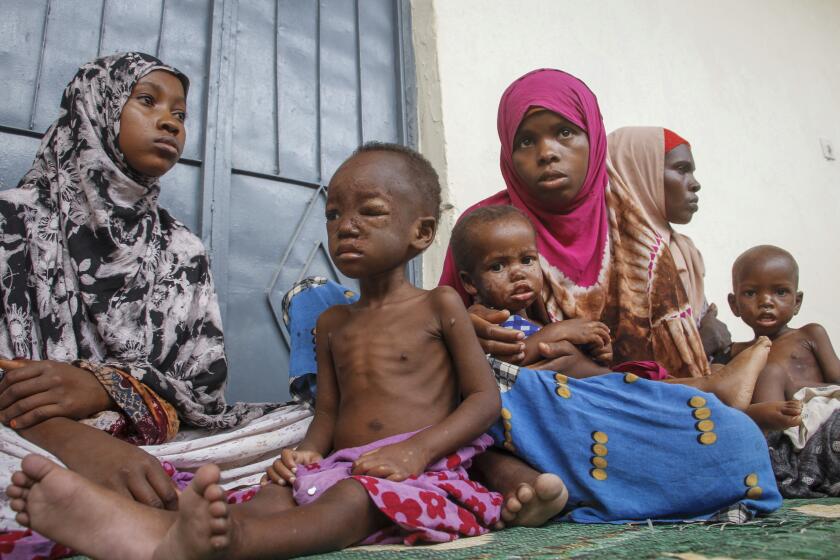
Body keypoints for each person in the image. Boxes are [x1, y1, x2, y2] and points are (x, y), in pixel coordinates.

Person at [4, 142, 518, 559]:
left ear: (422, 233)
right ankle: (152, 531)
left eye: (372, 211)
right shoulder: (333, 321)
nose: (347, 225)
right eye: (334, 213)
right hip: (340, 462)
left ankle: (235, 546)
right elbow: (330, 411)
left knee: (348, 503)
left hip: (420, 470)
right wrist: (307, 453)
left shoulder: (440, 304)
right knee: (272, 494)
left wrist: (416, 450)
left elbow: (483, 400)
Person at [0, 53, 300, 557]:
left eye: (180, 114)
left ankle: (123, 513)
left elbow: (204, 392)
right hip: (22, 435)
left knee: (304, 425)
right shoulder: (12, 221)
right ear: (96, 108)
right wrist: (71, 438)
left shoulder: (181, 249)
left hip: (154, 438)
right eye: (147, 101)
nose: (170, 121)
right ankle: (145, 514)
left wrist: (104, 389)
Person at [438, 69, 709, 379]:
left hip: (650, 404)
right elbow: (440, 346)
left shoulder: (634, 221)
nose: (547, 153)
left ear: (592, 136)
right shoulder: (487, 228)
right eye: (525, 141)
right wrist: (464, 329)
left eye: (565, 132)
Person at [607, 126, 732, 362]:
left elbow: (708, 327)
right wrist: (700, 344)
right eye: (681, 170)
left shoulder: (682, 250)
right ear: (636, 173)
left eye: (692, 172)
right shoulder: (612, 257)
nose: (695, 184)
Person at [449, 205, 612, 372]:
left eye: (527, 260)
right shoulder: (485, 321)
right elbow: (507, 361)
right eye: (497, 267)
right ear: (470, 282)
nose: (518, 274)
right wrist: (558, 331)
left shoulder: (536, 324)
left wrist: (594, 351)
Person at [728, 245, 840, 427]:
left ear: (797, 302)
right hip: (773, 428)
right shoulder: (735, 353)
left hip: (817, 416)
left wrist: (794, 388)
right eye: (751, 293)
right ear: (734, 304)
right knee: (769, 373)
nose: (766, 302)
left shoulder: (810, 334)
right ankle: (775, 449)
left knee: (771, 373)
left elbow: (837, 381)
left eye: (780, 292)